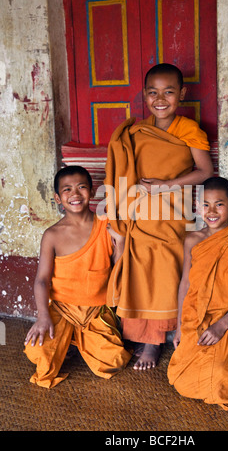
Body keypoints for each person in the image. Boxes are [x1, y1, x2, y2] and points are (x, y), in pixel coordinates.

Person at [104, 63, 214, 370]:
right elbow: (124, 170)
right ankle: (140, 337)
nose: (160, 98)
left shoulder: (189, 130)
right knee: (139, 273)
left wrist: (166, 185)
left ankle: (153, 343)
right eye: (153, 92)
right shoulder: (137, 132)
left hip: (172, 213)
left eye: (168, 91)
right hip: (140, 211)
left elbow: (205, 171)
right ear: (144, 94)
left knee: (165, 273)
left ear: (182, 93)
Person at [24, 165, 131, 388]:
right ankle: (70, 341)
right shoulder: (52, 235)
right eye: (67, 189)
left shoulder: (105, 225)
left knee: (113, 361)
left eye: (81, 187)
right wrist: (43, 316)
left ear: (92, 192)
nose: (75, 194)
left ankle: (73, 343)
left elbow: (119, 269)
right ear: (57, 197)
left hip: (95, 309)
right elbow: (42, 280)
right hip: (62, 309)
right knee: (37, 352)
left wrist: (119, 241)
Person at [167, 177, 228, 410]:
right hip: (196, 315)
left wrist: (222, 325)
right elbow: (185, 283)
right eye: (205, 204)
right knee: (180, 380)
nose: (211, 211)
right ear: (197, 206)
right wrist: (180, 326)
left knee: (218, 380)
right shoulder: (192, 239)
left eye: (219, 204)